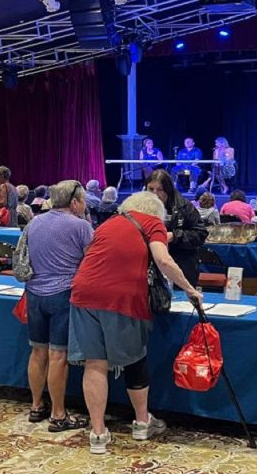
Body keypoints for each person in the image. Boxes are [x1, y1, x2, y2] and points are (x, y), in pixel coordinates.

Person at [68, 191, 204, 454]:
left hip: (83, 293)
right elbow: (163, 259)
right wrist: (189, 289)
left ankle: (98, 433)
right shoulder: (153, 223)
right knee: (135, 359)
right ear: (157, 212)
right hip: (122, 297)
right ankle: (142, 422)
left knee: (95, 363)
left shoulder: (108, 223)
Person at [26, 180, 93, 433]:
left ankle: (36, 406)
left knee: (37, 352)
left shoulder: (34, 222)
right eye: (83, 200)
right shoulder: (81, 226)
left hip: (34, 293)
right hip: (63, 294)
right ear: (74, 202)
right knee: (58, 356)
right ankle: (58, 414)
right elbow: (92, 260)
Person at [145, 169, 208, 287]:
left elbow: (200, 234)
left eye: (160, 190)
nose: (155, 194)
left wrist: (174, 236)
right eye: (151, 189)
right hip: (150, 268)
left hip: (182, 268)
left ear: (168, 190)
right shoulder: (140, 208)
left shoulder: (185, 207)